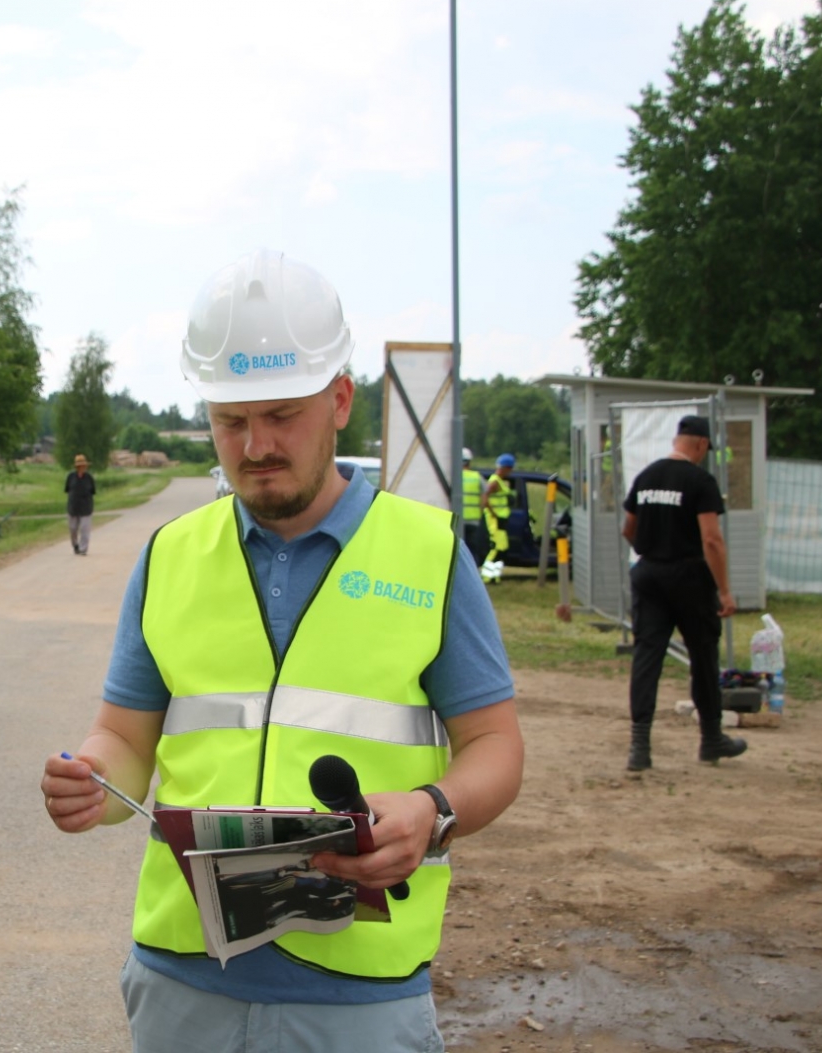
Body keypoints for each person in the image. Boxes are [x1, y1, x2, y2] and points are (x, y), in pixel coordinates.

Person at [40, 250, 524, 1053]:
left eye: (281, 415)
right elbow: (126, 738)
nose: (256, 444)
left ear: (340, 400)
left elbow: (496, 746)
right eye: (231, 420)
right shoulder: (171, 555)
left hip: (359, 997)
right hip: (183, 981)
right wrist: (92, 777)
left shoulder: (427, 553)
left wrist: (434, 811)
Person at [621, 414, 745, 772]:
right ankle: (711, 739)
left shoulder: (647, 476)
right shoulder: (700, 481)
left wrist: (650, 548)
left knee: (647, 657)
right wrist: (724, 590)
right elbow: (711, 539)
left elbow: (628, 528)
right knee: (703, 656)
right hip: (689, 576)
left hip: (649, 574)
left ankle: (639, 747)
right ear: (702, 444)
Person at [479, 453, 515, 582]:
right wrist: (493, 513)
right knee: (495, 548)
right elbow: (485, 496)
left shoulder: (500, 481)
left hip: (501, 520)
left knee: (502, 548)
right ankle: (486, 576)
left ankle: (494, 576)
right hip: (495, 520)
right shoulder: (495, 481)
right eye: (510, 468)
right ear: (505, 467)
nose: (511, 471)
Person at [460, 448, 489, 567]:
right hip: (473, 521)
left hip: (456, 520)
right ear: (469, 462)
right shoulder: (477, 477)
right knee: (472, 550)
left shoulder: (452, 477)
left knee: (458, 550)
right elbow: (484, 499)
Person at [65, 453, 96, 555]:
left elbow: (93, 491)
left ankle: (83, 549)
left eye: (84, 466)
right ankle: (75, 545)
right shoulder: (71, 477)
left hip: (86, 508)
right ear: (77, 467)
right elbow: (67, 490)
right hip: (73, 508)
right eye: (80, 466)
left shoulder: (89, 478)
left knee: (84, 529)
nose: (82, 467)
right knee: (73, 528)